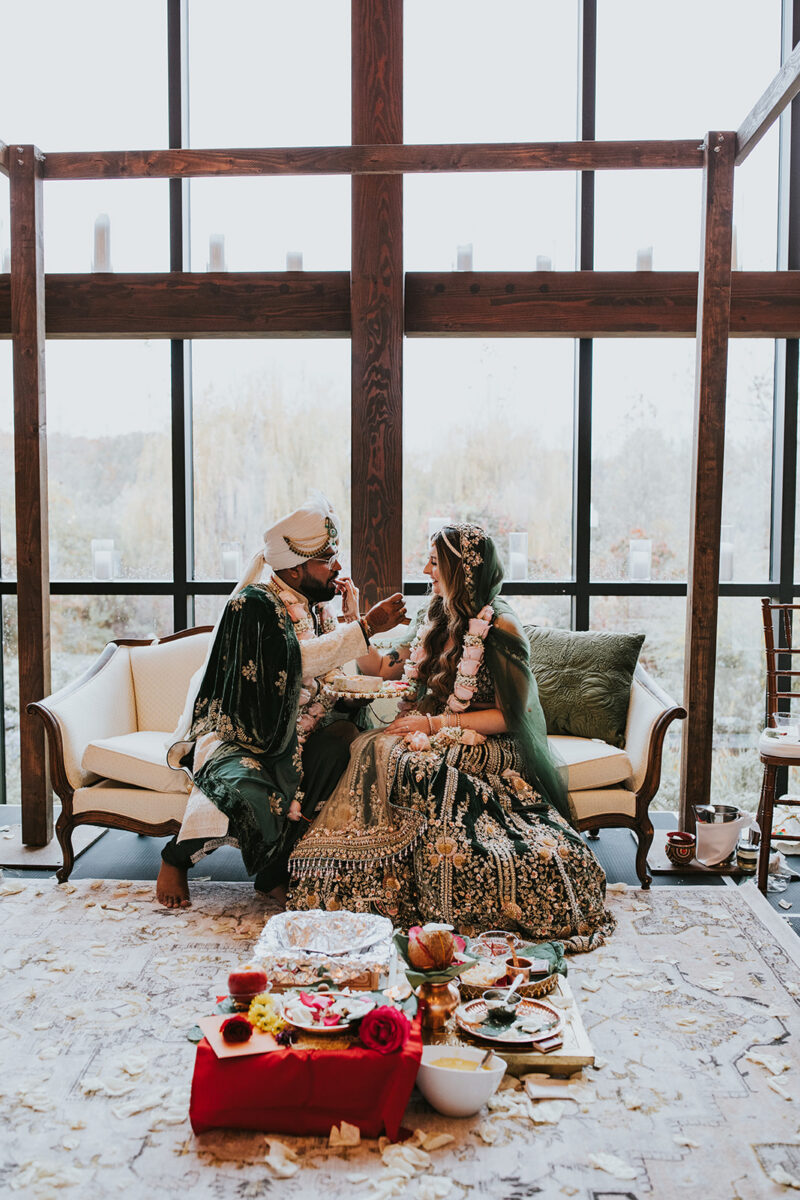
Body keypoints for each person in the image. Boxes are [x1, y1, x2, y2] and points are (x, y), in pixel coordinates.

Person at [288, 523, 614, 950]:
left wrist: (433, 726)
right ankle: (381, 875)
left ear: (461, 571)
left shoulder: (500, 627)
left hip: (485, 742)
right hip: (434, 730)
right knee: (376, 747)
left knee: (410, 763)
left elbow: (511, 717)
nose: (426, 570)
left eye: (434, 562)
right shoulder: (437, 617)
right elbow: (380, 668)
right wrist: (355, 618)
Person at [157, 492, 407, 909]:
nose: (338, 567)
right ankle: (174, 859)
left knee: (346, 743)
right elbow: (292, 661)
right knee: (252, 792)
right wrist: (365, 627)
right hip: (251, 734)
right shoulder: (252, 605)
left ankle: (274, 873)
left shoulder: (315, 607)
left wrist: (351, 638)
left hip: (300, 732)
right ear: (294, 569)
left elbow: (329, 675)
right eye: (327, 559)